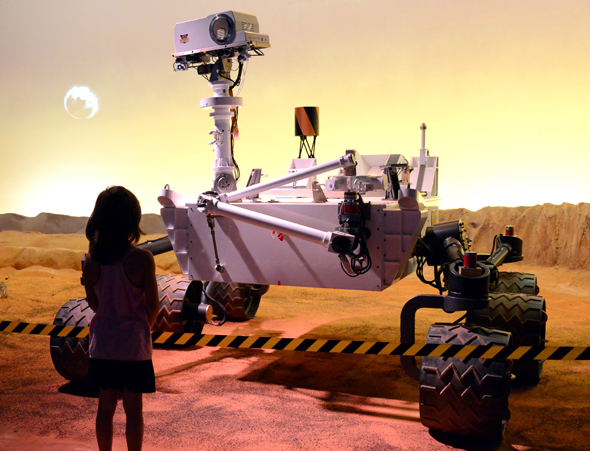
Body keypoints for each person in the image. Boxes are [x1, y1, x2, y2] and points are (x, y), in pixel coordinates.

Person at [83, 186, 160, 451]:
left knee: (105, 409)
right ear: (131, 219)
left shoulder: (90, 260)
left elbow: (94, 304)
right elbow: (154, 305)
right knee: (133, 411)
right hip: (133, 349)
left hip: (103, 347)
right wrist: (143, 328)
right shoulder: (143, 259)